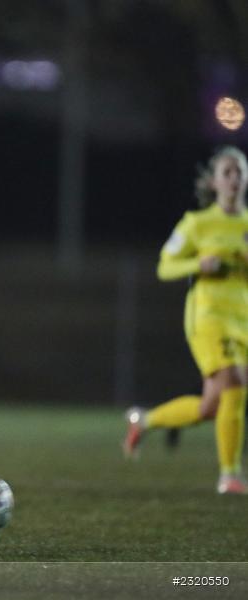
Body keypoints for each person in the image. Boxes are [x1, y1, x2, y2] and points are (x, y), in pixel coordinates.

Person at [123, 146, 248, 495]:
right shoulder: (198, 223)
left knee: (212, 406)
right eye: (228, 172)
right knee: (237, 385)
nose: (235, 179)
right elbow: (166, 266)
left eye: (240, 171)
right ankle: (230, 476)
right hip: (207, 316)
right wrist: (198, 264)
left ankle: (143, 421)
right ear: (213, 181)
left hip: (242, 317)